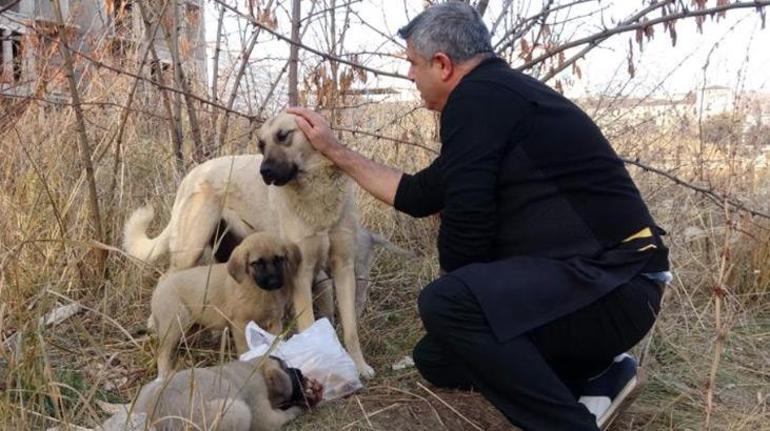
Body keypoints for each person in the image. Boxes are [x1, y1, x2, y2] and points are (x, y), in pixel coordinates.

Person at [288, 2, 670, 430]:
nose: (410, 75)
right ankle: (600, 374)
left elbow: (467, 231)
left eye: (413, 64)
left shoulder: (480, 100)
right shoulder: (495, 97)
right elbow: (419, 195)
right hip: (599, 287)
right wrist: (334, 151)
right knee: (435, 358)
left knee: (447, 306)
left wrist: (464, 300)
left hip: (614, 288)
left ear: (443, 65)